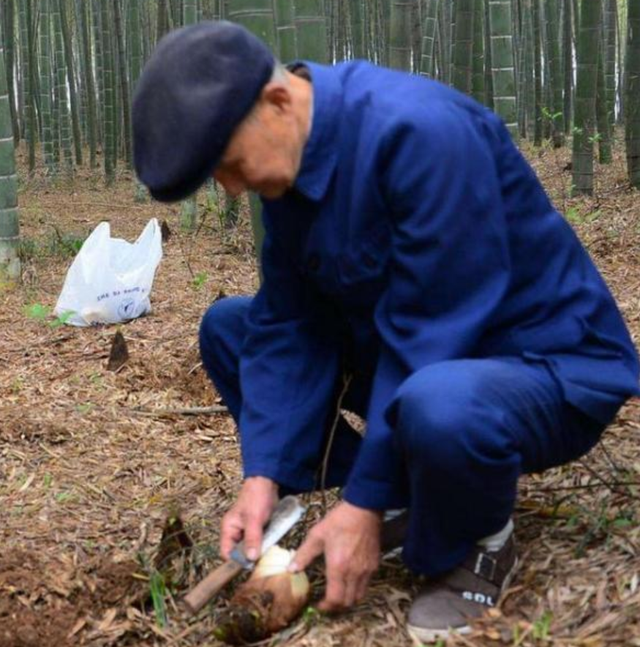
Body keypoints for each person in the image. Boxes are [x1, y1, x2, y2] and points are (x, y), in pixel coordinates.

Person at [132, 21, 640, 642]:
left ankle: (477, 544)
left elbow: (434, 333)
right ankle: (403, 497)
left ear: (279, 100)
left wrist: (362, 502)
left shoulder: (420, 134)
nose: (234, 188)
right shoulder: (288, 171)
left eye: (230, 165)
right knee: (232, 329)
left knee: (438, 402)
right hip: (423, 361)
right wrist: (261, 475)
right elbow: (290, 324)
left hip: (539, 370)